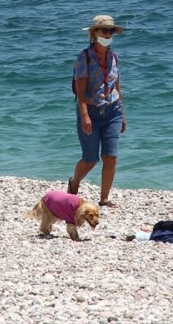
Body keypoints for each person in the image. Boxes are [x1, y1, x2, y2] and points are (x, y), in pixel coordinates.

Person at [68, 15, 126, 207]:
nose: (108, 34)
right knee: (90, 159)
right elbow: (80, 91)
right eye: (104, 30)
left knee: (111, 156)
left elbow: (116, 86)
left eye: (111, 31)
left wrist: (122, 115)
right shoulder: (83, 57)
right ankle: (74, 182)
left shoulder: (114, 56)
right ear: (94, 33)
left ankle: (104, 198)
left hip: (113, 110)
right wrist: (84, 115)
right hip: (91, 111)